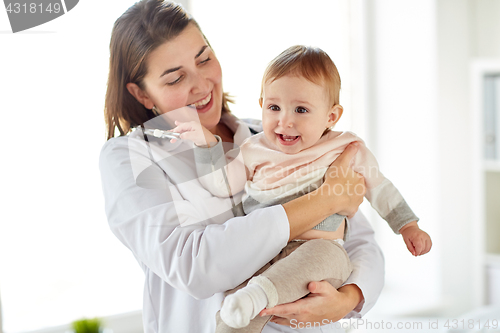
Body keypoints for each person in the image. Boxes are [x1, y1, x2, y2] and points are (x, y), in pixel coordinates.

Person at [99, 1, 384, 332]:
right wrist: (324, 201)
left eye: (204, 58)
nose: (201, 84)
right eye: (176, 78)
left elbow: (358, 238)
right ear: (142, 94)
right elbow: (193, 264)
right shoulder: (129, 157)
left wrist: (349, 297)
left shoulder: (272, 137)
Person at [172, 45, 432, 332]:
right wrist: (205, 145)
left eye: (301, 109)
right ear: (261, 104)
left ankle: (257, 295)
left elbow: (379, 188)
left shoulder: (345, 147)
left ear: (331, 117)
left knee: (332, 259)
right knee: (238, 313)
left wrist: (408, 225)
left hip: (318, 251)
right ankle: (237, 316)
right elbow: (221, 186)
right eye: (274, 107)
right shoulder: (253, 150)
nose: (285, 121)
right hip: (262, 254)